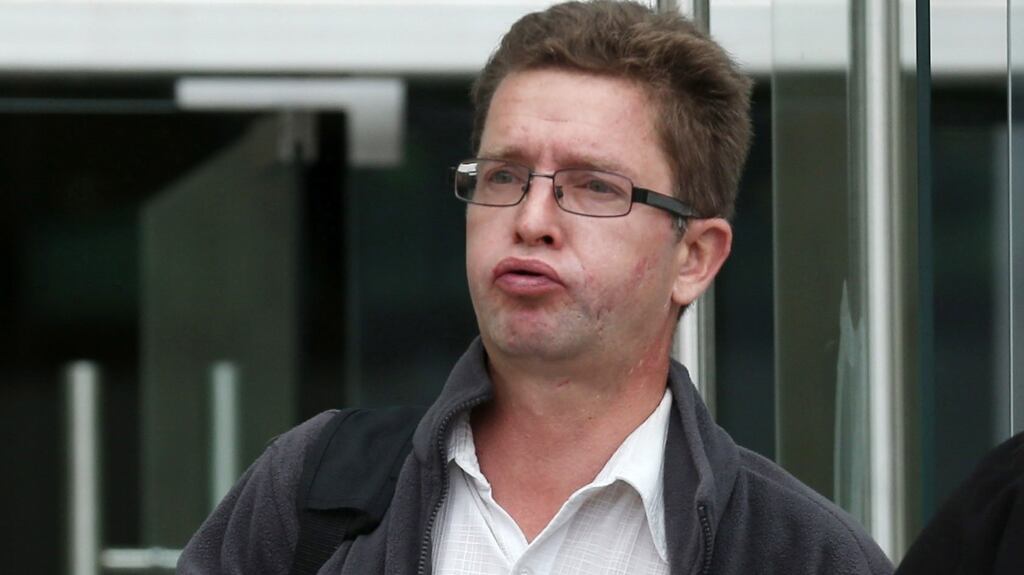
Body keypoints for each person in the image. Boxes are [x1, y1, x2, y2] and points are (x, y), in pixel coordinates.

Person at [179, 1, 893, 573]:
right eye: (504, 176)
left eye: (593, 185)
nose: (531, 219)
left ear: (695, 257)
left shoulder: (800, 552)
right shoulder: (316, 493)